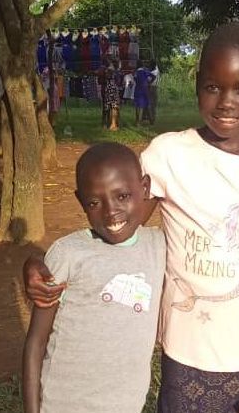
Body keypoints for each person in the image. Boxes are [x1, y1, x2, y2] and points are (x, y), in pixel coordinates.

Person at [23, 22, 239, 413]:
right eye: (213, 87)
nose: (226, 102)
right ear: (197, 84)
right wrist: (39, 264)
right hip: (186, 358)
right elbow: (117, 227)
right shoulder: (168, 155)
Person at [22, 143, 166, 413]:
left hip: (126, 406)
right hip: (63, 405)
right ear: (80, 201)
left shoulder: (159, 247)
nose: (111, 212)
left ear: (145, 189)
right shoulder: (68, 254)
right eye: (94, 202)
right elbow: (36, 342)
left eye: (122, 196)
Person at [97, 59, 123, 131]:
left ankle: (105, 124)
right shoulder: (115, 72)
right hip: (113, 89)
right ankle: (113, 124)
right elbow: (118, 81)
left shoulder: (107, 71)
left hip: (107, 89)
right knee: (114, 107)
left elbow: (102, 79)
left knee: (107, 107)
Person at [133, 60, 154, 125]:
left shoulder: (136, 72)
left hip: (137, 89)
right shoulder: (145, 71)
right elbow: (153, 76)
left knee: (137, 106)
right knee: (145, 105)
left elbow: (134, 79)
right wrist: (149, 83)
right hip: (144, 89)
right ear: (142, 64)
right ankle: (150, 120)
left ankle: (137, 121)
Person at [147, 59, 160, 125]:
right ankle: (152, 119)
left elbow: (149, 80)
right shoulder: (157, 70)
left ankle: (151, 119)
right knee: (153, 105)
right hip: (155, 87)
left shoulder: (153, 73)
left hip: (152, 87)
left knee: (150, 104)